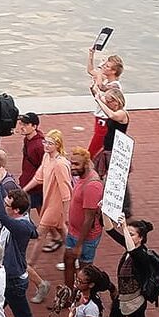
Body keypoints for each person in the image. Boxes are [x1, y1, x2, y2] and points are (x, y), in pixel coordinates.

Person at [0, 171, 44, 317]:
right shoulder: (19, 220)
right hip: (8, 276)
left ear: (16, 210)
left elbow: (1, 216)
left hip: (13, 281)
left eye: (7, 205)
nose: (4, 205)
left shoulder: (19, 226)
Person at [21, 130, 72, 304]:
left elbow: (66, 191)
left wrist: (65, 213)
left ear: (58, 145)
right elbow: (39, 177)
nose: (46, 145)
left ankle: (30, 265)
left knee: (40, 234)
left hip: (56, 205)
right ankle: (75, 256)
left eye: (50, 143)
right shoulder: (46, 158)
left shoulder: (60, 164)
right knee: (63, 231)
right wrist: (24, 190)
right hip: (50, 202)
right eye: (45, 142)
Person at [104, 216, 159, 317]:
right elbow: (110, 230)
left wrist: (123, 227)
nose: (127, 236)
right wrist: (104, 212)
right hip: (122, 299)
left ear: (140, 238)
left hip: (135, 303)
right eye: (127, 233)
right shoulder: (131, 247)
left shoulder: (141, 255)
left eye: (132, 234)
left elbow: (132, 251)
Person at [64, 148, 104, 291]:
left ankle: (85, 299)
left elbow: (89, 219)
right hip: (73, 232)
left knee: (84, 274)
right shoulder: (81, 178)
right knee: (68, 261)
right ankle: (68, 295)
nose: (72, 167)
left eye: (76, 164)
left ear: (86, 164)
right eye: (71, 163)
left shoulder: (92, 185)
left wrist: (79, 245)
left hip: (86, 238)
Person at [85, 50, 125, 158]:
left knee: (92, 152)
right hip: (99, 118)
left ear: (113, 71)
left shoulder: (115, 86)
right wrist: (91, 55)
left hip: (105, 121)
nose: (104, 67)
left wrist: (99, 71)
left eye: (107, 66)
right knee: (96, 150)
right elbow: (90, 70)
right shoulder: (106, 80)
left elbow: (102, 87)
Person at [90, 86, 129, 180]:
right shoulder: (112, 108)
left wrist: (99, 101)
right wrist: (93, 88)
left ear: (116, 101)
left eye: (109, 102)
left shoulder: (121, 114)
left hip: (115, 149)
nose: (106, 103)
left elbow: (111, 115)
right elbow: (98, 97)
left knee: (115, 176)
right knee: (98, 171)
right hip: (107, 147)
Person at [17, 111, 46, 214]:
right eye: (21, 124)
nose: (22, 127)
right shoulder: (27, 139)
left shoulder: (39, 145)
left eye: (25, 124)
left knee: (39, 212)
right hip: (27, 182)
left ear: (34, 126)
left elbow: (44, 166)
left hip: (36, 186)